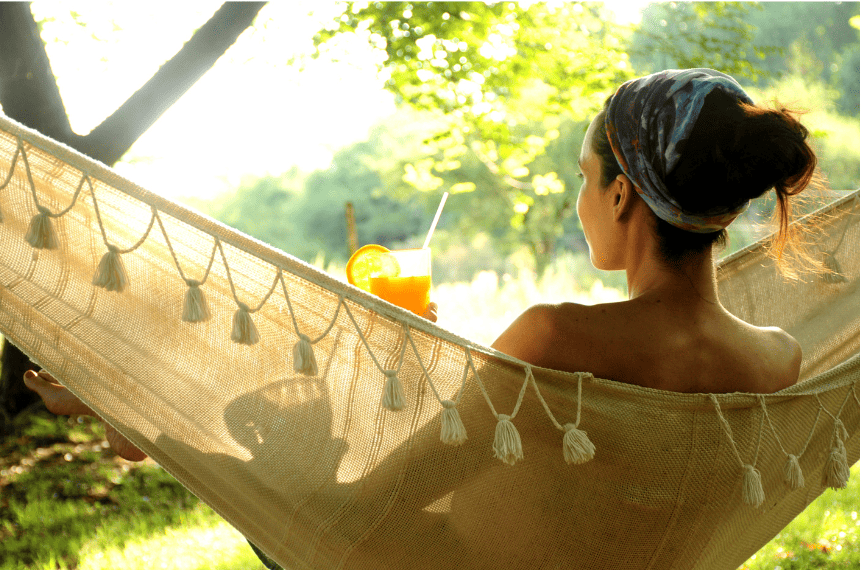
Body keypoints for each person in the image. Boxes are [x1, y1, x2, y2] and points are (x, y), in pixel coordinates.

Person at [24, 68, 815, 455]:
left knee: (285, 437)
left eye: (582, 178)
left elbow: (391, 495)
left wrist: (185, 428)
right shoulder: (779, 359)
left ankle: (140, 419)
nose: (578, 199)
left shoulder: (556, 336)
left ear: (618, 196)